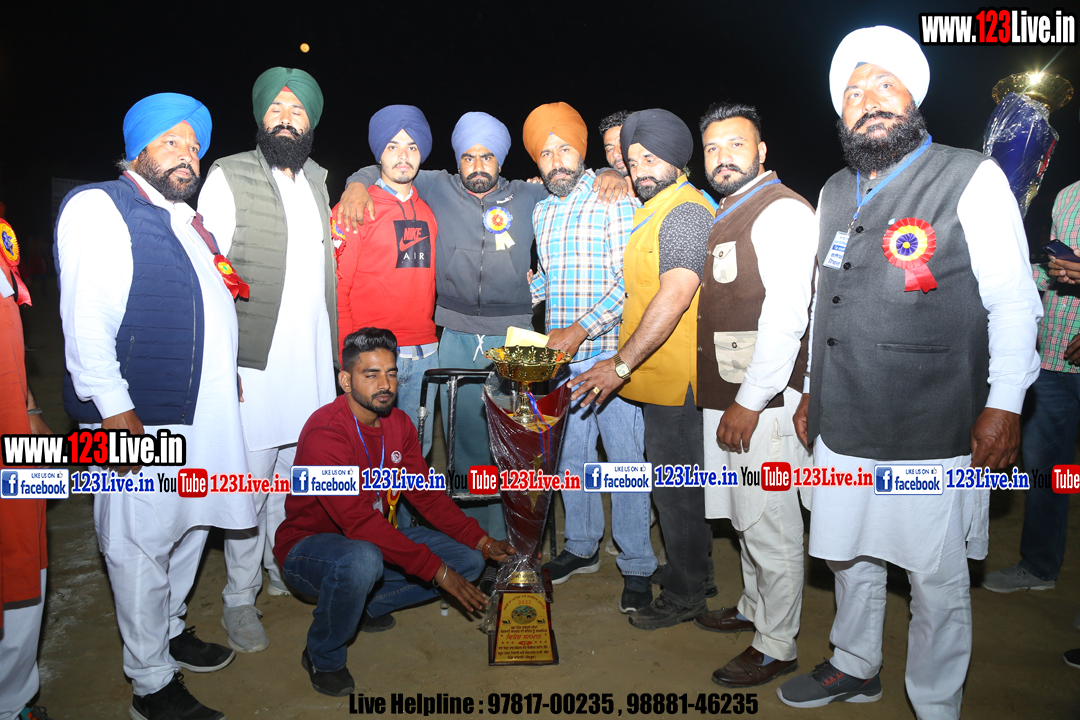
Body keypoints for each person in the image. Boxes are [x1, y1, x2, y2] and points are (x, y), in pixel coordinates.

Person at [774, 27, 1041, 718]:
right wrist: (810, 390)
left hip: (934, 422)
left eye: (883, 85)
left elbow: (1014, 301)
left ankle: (936, 702)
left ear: (912, 98)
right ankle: (855, 664)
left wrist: (1005, 404)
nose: (868, 102)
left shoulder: (970, 176)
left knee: (936, 575)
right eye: (852, 94)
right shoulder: (835, 188)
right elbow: (822, 300)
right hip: (842, 420)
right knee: (847, 554)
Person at [55, 93, 257, 720]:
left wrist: (225, 374)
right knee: (137, 543)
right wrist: (114, 409)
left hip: (206, 413)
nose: (187, 155)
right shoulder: (101, 205)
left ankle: (168, 631)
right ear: (137, 148)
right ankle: (149, 683)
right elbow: (86, 319)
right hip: (134, 415)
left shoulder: (189, 222)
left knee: (193, 525)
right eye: (171, 141)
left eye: (194, 146)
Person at [274, 327, 515, 697]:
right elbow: (357, 523)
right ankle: (323, 655)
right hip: (310, 551)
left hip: (371, 541)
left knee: (467, 559)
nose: (384, 384)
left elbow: (427, 496)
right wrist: (436, 570)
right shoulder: (327, 433)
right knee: (361, 560)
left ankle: (361, 606)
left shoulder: (398, 424)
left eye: (390, 373)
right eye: (371, 375)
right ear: (345, 380)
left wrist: (481, 541)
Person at [198, 67, 337, 653]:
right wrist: (222, 364)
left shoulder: (320, 182)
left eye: (297, 110)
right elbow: (209, 277)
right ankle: (238, 597)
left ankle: (280, 566)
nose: (286, 118)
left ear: (311, 122)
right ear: (260, 118)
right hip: (253, 364)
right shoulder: (227, 176)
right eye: (276, 109)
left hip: (311, 362)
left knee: (291, 481)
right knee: (248, 488)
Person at [570, 108, 718, 630]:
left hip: (678, 383)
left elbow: (675, 294)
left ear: (677, 159)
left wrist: (620, 364)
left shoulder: (686, 212)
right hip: (657, 381)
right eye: (633, 163)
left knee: (677, 496)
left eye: (651, 159)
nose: (640, 171)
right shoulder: (654, 209)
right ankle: (696, 572)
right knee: (678, 489)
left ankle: (684, 595)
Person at [693, 102, 815, 688]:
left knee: (771, 520)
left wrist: (752, 399)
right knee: (746, 516)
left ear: (762, 151)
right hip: (733, 395)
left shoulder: (782, 211)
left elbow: (788, 316)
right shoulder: (730, 209)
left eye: (736, 145)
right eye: (712, 148)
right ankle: (753, 607)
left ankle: (777, 643)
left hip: (763, 402)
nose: (723, 157)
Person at [522, 102, 656, 613]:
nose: (556, 160)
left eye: (565, 149)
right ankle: (581, 546)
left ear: (581, 153)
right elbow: (547, 278)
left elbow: (630, 284)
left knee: (624, 463)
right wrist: (513, 296)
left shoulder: (613, 198)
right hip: (560, 365)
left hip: (610, 360)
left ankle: (637, 563)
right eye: (545, 153)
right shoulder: (541, 211)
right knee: (570, 459)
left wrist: (580, 329)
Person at [982, 178, 1080, 593]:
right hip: (1053, 355)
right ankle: (1040, 566)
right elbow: (1054, 268)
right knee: (1049, 473)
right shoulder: (1069, 195)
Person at [332, 105, 438, 458]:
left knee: (416, 455)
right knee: (366, 457)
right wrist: (346, 358)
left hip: (426, 354)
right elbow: (338, 291)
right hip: (372, 355)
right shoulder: (352, 210)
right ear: (379, 153)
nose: (403, 156)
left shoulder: (429, 211)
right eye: (393, 146)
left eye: (412, 147)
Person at [0, 216, 54, 720]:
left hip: (14, 428)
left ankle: (12, 703)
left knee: (24, 564)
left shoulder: (2, 237)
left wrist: (31, 408)